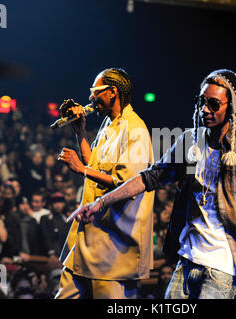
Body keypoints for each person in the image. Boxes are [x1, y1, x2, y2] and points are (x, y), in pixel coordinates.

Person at [69, 69, 236, 299]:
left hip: (221, 267)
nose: (205, 110)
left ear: (230, 108)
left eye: (214, 104)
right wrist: (101, 203)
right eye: (202, 101)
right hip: (187, 259)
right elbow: (149, 177)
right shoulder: (190, 141)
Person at [55, 68, 154, 299]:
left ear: (112, 92)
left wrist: (81, 169)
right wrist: (79, 132)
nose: (90, 98)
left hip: (113, 246)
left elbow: (128, 183)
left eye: (95, 92)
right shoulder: (109, 125)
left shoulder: (135, 129)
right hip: (90, 235)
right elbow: (95, 164)